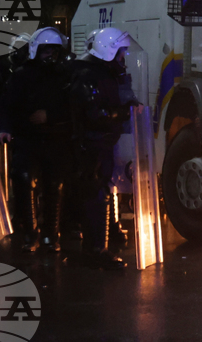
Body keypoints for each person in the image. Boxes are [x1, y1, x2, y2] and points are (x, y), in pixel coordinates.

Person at [0, 27, 72, 252]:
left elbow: (72, 106)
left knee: (54, 186)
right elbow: (7, 106)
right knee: (24, 180)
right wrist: (5, 129)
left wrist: (51, 116)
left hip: (55, 138)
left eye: (54, 52)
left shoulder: (63, 76)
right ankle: (29, 232)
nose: (51, 56)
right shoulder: (21, 75)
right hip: (28, 138)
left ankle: (50, 235)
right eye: (47, 51)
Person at [68, 28, 136, 269]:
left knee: (100, 191)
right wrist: (123, 112)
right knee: (96, 193)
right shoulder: (89, 75)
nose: (123, 58)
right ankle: (96, 250)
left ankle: (98, 247)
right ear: (108, 52)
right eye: (120, 53)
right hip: (91, 143)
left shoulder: (101, 73)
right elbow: (96, 113)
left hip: (101, 142)